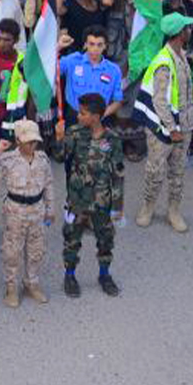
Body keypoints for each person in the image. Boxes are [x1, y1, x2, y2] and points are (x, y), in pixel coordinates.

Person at [131, 12, 193, 231]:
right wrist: (172, 129)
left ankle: (173, 211)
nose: (190, 30)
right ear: (179, 33)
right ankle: (147, 208)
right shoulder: (164, 63)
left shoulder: (182, 55)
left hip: (184, 125)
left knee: (178, 172)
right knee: (155, 170)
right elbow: (160, 101)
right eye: (187, 28)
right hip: (164, 129)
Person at [58, 91, 124, 298]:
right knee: (71, 240)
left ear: (96, 116)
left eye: (83, 113)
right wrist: (59, 138)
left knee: (105, 240)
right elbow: (60, 157)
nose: (79, 116)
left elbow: (118, 174)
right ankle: (70, 275)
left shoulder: (112, 139)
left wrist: (117, 207)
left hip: (102, 202)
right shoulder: (75, 133)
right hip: (77, 200)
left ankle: (104, 275)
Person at [0, 119, 53, 308]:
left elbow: (48, 184)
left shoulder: (42, 159)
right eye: (28, 142)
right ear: (18, 141)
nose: (32, 145)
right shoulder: (8, 160)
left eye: (35, 141)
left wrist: (50, 209)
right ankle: (11, 286)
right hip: (15, 211)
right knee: (12, 251)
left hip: (37, 210)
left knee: (36, 250)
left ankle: (31, 283)